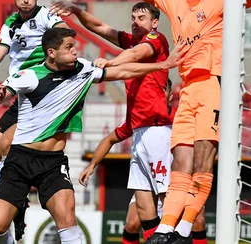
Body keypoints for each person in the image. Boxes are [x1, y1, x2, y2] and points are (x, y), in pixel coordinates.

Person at [103, 0, 251, 244]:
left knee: (203, 161)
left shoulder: (220, 1)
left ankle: (182, 228)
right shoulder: (173, 0)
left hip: (213, 85)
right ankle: (166, 229)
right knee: (180, 162)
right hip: (187, 89)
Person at [0, 27, 184, 244]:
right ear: (51, 53)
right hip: (20, 160)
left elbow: (123, 71)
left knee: (67, 219)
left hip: (52, 164)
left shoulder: (83, 69)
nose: (75, 51)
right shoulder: (29, 76)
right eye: (69, 47)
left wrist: (162, 65)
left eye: (74, 45)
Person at [50, 1, 172, 240]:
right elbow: (100, 27)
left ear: (154, 23)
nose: (136, 21)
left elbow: (136, 54)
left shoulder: (156, 39)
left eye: (142, 17)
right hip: (139, 130)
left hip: (157, 129)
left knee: (167, 200)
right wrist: (76, 10)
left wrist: (110, 61)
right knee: (143, 205)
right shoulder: (131, 41)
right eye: (133, 17)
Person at [0, 0, 66, 236]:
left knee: (6, 145)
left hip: (41, 93)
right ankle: (17, 203)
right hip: (19, 92)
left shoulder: (46, 17)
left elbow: (63, 34)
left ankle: (11, 202)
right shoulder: (11, 24)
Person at [78, 81, 208, 244]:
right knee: (133, 222)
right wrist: (92, 165)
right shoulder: (138, 119)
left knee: (196, 221)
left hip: (177, 181)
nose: (154, 95)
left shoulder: (180, 118)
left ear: (170, 96)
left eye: (161, 90)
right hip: (149, 177)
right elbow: (109, 139)